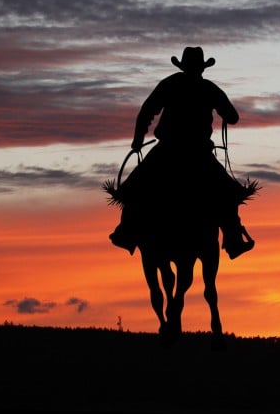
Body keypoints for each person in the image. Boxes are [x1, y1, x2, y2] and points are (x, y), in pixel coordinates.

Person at [109, 46, 255, 259]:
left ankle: (127, 232)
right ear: (202, 68)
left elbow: (147, 110)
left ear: (183, 66)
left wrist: (138, 140)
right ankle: (233, 240)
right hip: (199, 153)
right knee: (227, 193)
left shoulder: (170, 84)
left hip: (167, 150)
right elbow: (233, 117)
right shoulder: (209, 88)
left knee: (135, 186)